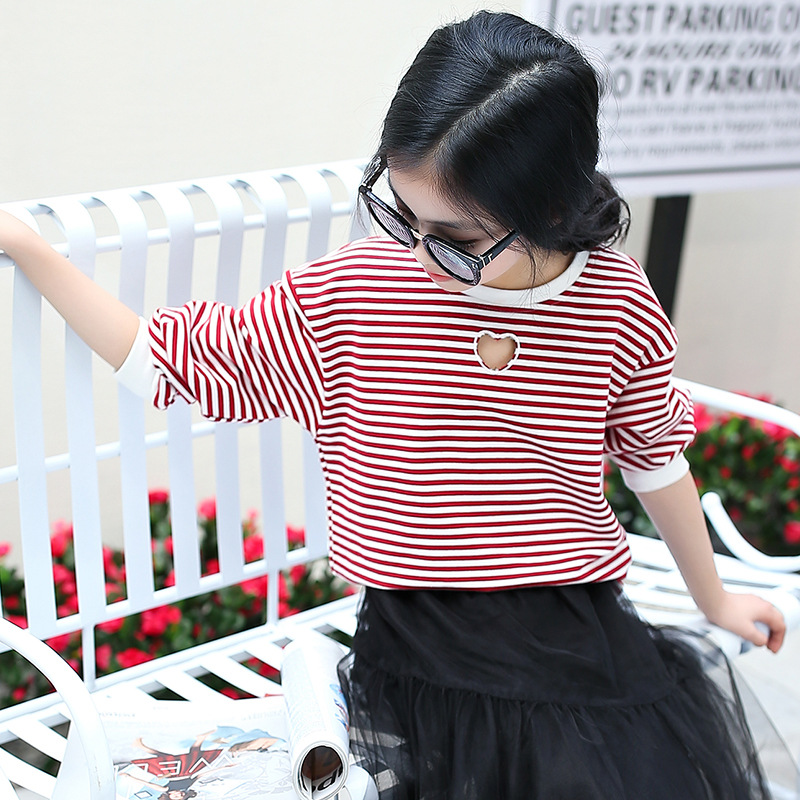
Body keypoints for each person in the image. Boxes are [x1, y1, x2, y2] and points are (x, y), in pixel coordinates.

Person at [0, 10, 788, 800]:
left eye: (457, 238)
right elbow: (175, 363)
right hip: (420, 649)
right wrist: (31, 247)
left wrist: (714, 598)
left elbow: (654, 460)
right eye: (400, 214)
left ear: (551, 206)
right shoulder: (357, 294)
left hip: (575, 629)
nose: (418, 254)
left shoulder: (616, 301)